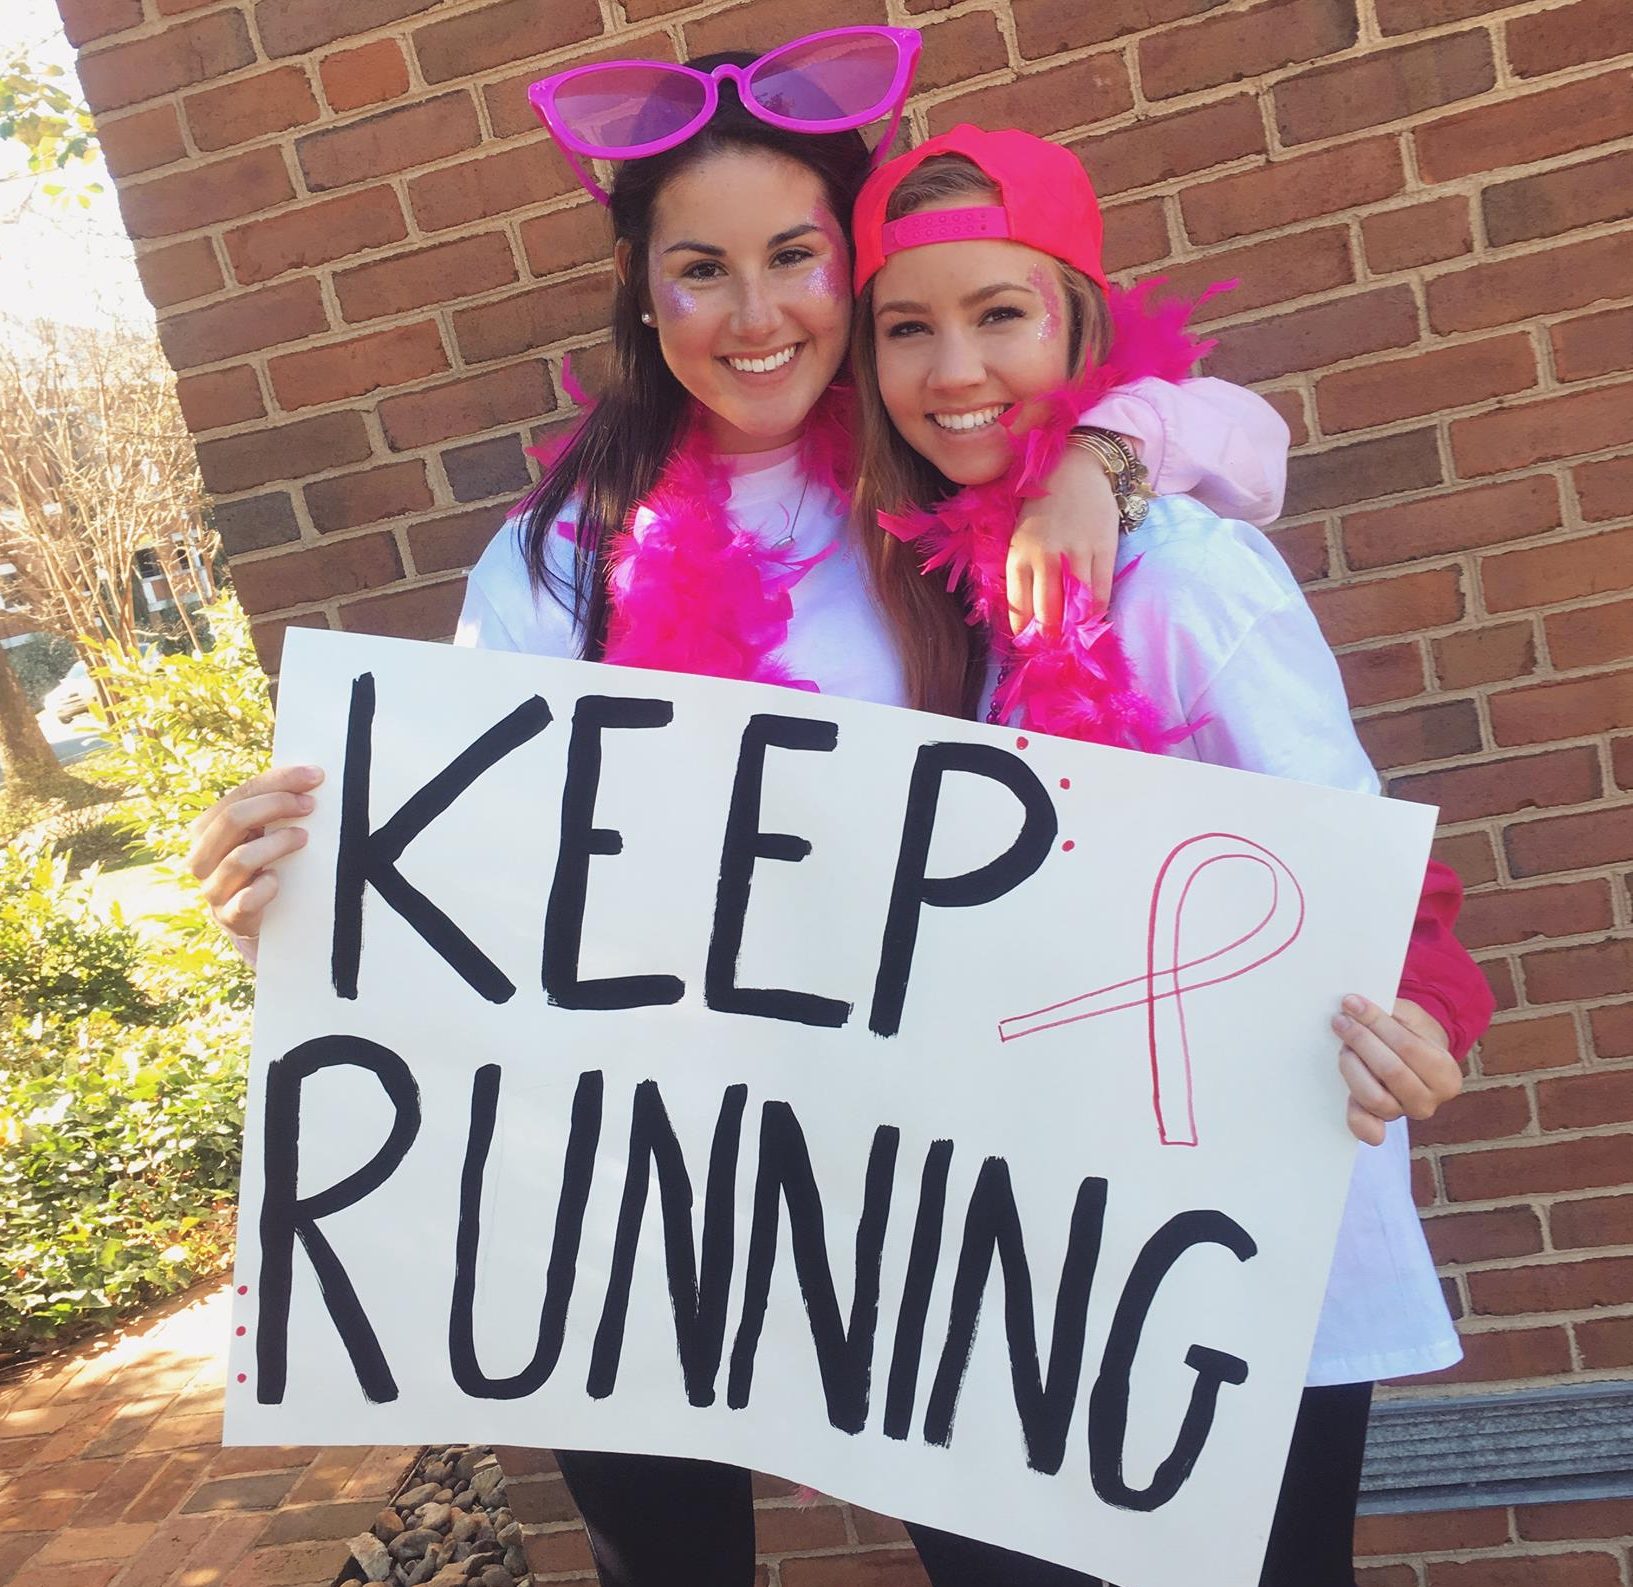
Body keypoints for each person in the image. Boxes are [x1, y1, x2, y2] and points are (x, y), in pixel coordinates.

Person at [186, 37, 1468, 1587]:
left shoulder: (946, 473)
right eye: (697, 271)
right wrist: (312, 864)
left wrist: (1111, 461)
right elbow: (472, 850)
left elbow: (1219, 445)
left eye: (793, 258)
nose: (750, 314)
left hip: (1088, 1179)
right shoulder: (561, 559)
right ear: (640, 295)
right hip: (843, 1223)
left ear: (846, 281)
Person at [843, 122, 1494, 1587]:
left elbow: (1357, 852)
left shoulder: (1184, 580)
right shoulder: (917, 576)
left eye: (999, 314)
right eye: (906, 328)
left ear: (1077, 323)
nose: (952, 372)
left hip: (1236, 1253)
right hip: (1034, 1239)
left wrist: (1427, 1012)